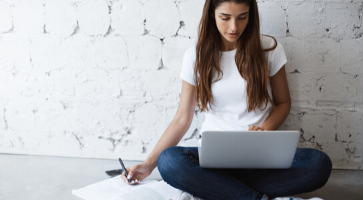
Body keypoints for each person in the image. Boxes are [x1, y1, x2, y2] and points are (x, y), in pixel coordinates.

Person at [120, 0, 332, 199]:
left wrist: (264, 131)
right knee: (169, 161)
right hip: (215, 161)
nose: (234, 27)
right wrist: (148, 164)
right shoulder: (196, 56)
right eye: (225, 17)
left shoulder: (269, 48)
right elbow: (182, 119)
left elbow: (284, 103)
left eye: (242, 17)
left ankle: (221, 190)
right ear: (212, 15)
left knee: (319, 163)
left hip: (260, 155)